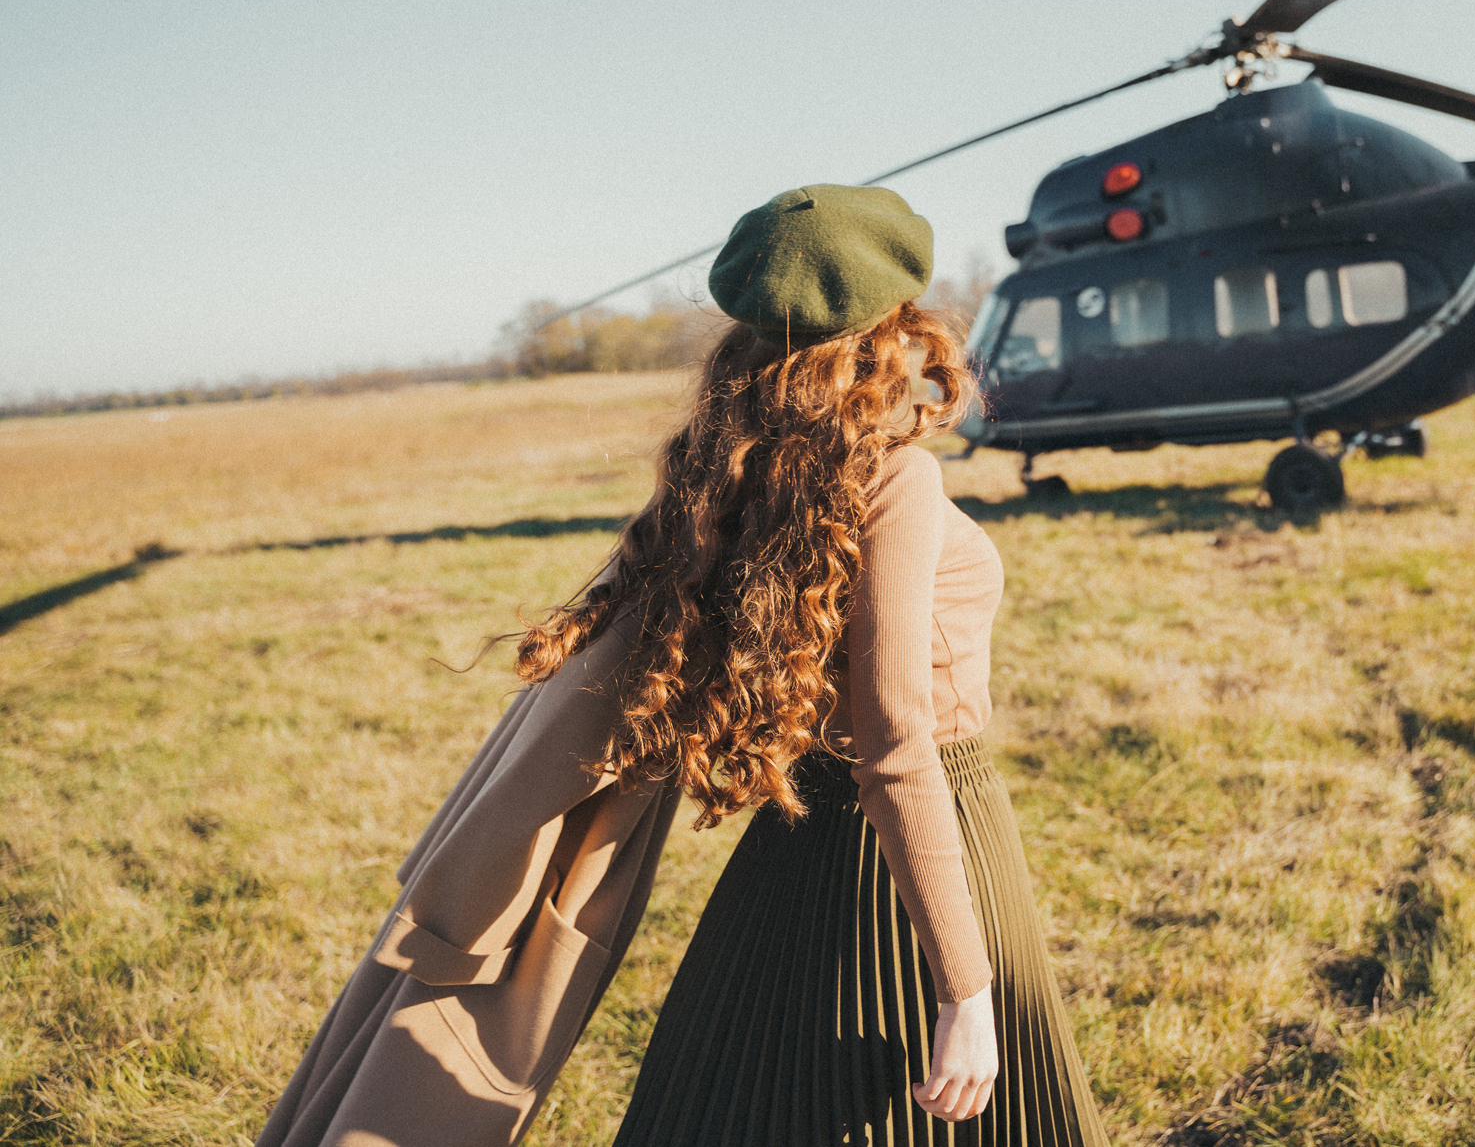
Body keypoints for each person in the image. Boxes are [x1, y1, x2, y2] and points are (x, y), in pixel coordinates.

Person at [257, 184, 1106, 1147]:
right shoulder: (896, 475)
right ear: (897, 319)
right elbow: (898, 746)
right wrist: (966, 988)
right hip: (923, 843)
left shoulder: (735, 465)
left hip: (788, 857)